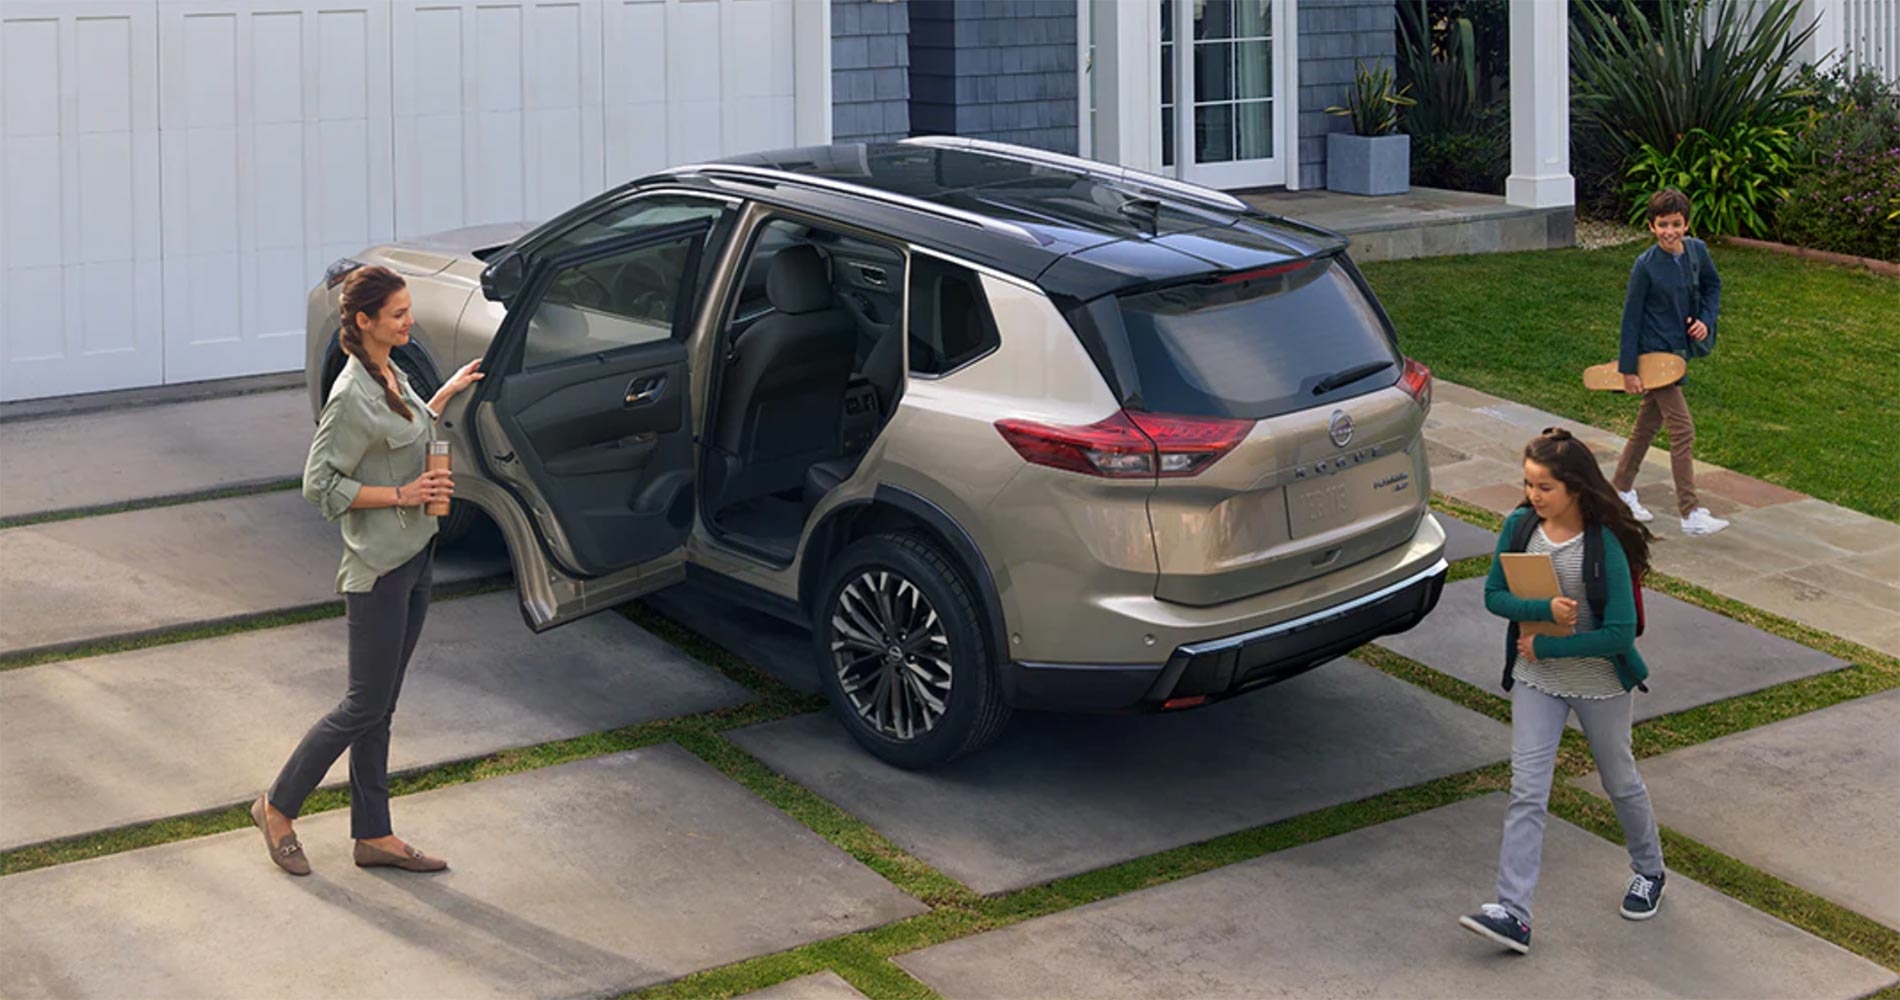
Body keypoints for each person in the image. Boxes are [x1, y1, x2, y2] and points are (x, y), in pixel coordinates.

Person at [251, 265, 483, 876]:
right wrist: (404, 495)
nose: (410, 321)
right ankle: (276, 806)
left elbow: (402, 430)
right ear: (365, 321)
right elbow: (319, 483)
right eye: (399, 314)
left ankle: (373, 834)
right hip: (379, 568)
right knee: (361, 704)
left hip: (415, 555)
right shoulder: (351, 393)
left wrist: (443, 395)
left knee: (382, 704)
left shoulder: (390, 371)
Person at [1460, 427, 1665, 954]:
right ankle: (1513, 912)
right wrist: (1541, 613)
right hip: (1536, 683)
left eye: (1544, 486)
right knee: (1526, 792)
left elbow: (1619, 632)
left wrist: (1550, 646)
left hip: (1599, 685)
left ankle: (1650, 870)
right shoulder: (1519, 526)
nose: (1532, 495)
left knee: (1620, 783)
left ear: (1574, 487)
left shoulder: (1606, 543)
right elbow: (1493, 595)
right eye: (1528, 483)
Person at [1609, 188, 1728, 536]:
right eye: (1662, 225)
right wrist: (1628, 371)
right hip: (1653, 357)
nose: (1669, 231)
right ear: (1651, 226)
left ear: (1687, 224)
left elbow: (1712, 286)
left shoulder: (1697, 252)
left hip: (1677, 354)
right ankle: (1690, 513)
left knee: (1646, 426)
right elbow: (1630, 319)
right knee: (1682, 429)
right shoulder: (1645, 266)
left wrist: (1705, 319)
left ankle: (1619, 490)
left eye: (1676, 224)